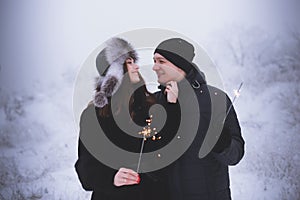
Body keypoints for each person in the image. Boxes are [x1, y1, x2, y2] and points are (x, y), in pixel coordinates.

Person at [75, 37, 169, 200]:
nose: (137, 66)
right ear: (116, 71)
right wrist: (111, 177)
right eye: (130, 62)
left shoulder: (149, 105)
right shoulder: (94, 116)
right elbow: (86, 169)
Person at [151, 38, 245, 200]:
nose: (154, 67)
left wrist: (221, 142)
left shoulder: (215, 99)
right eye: (154, 61)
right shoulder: (153, 102)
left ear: (180, 65)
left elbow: (235, 155)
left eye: (161, 61)